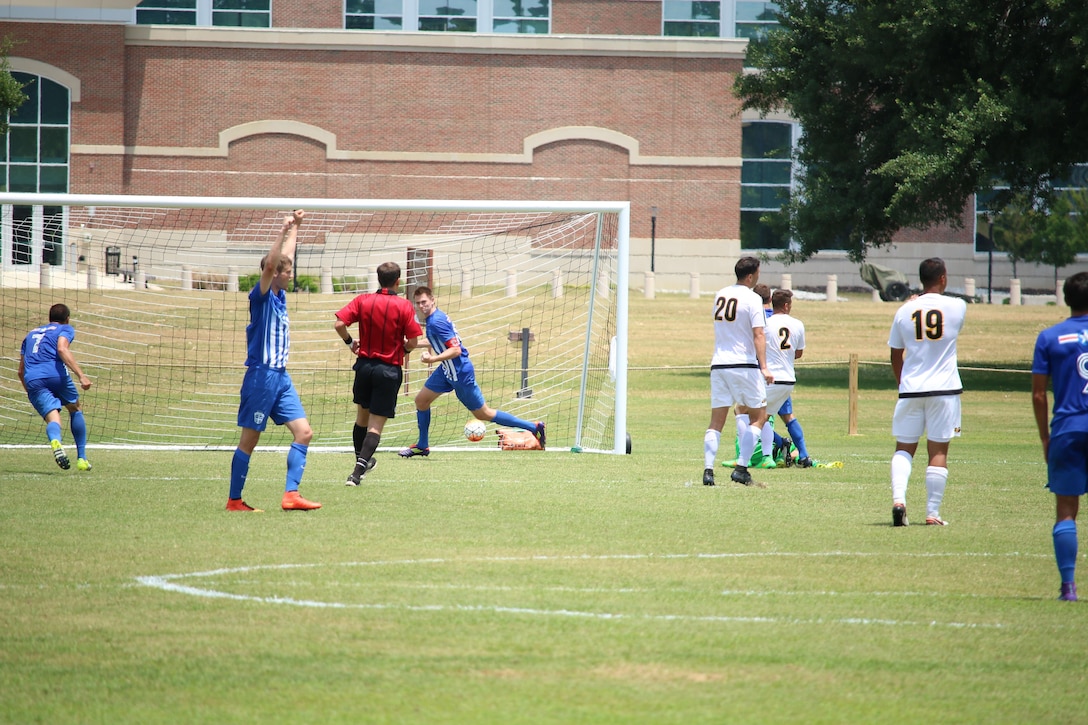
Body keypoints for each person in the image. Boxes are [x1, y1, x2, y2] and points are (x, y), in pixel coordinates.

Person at [228, 209, 321, 512]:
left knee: (304, 432)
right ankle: (234, 500)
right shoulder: (263, 295)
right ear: (275, 275)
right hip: (261, 377)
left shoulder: (280, 295)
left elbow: (284, 259)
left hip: (281, 378)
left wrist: (296, 227)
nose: (291, 275)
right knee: (249, 442)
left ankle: (291, 496)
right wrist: (282, 230)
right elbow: (271, 264)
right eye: (288, 272)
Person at [399, 286, 545, 457]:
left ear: (433, 300)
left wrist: (432, 359)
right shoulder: (435, 318)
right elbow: (436, 341)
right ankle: (422, 445)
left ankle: (534, 428)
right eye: (417, 303)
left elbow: (455, 350)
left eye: (424, 302)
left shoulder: (436, 321)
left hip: (460, 372)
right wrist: (411, 344)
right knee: (421, 401)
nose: (421, 306)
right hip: (446, 370)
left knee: (483, 413)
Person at [887, 257, 966, 527]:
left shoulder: (903, 310)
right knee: (938, 451)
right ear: (942, 277)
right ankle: (932, 513)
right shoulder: (957, 306)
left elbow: (895, 354)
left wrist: (902, 383)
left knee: (904, 448)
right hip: (945, 390)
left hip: (911, 389)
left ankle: (899, 501)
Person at [334, 262, 422, 485]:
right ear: (398, 281)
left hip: (364, 367)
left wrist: (349, 342)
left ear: (378, 279)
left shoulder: (363, 301)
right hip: (388, 370)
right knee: (375, 426)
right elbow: (413, 341)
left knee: (361, 419)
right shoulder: (404, 306)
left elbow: (339, 324)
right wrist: (404, 349)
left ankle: (361, 462)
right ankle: (356, 473)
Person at [1031, 271, 1088, 601]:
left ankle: (1068, 586)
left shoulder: (1049, 338)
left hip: (1066, 430)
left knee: (1066, 510)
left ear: (1066, 299)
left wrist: (1044, 438)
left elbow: (1039, 394)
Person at [704, 256, 773, 487]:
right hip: (743, 365)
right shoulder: (753, 299)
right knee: (760, 416)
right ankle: (741, 468)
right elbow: (759, 334)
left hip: (719, 364)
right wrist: (764, 367)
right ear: (751, 275)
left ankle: (708, 471)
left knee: (716, 422)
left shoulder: (720, 294)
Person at [18, 303, 93, 471]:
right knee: (74, 408)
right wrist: (81, 375)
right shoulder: (65, 329)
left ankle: (55, 441)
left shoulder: (30, 334)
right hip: (55, 375)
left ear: (49, 318)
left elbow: (20, 371)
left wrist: (31, 391)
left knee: (53, 419)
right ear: (67, 319)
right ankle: (82, 459)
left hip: (33, 379)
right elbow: (61, 348)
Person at [765, 289, 813, 468]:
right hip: (788, 379)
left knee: (751, 417)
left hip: (770, 379)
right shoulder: (798, 324)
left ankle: (780, 444)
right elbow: (798, 353)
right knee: (788, 417)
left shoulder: (766, 324)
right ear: (786, 305)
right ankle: (804, 456)